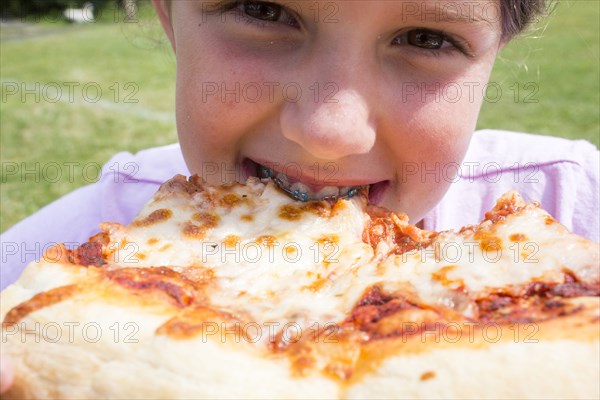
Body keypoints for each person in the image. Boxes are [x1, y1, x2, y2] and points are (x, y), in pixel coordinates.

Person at [1, 0, 598, 393]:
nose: (328, 132)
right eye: (265, 10)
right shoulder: (43, 274)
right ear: (168, 17)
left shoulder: (574, 210)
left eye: (427, 37)